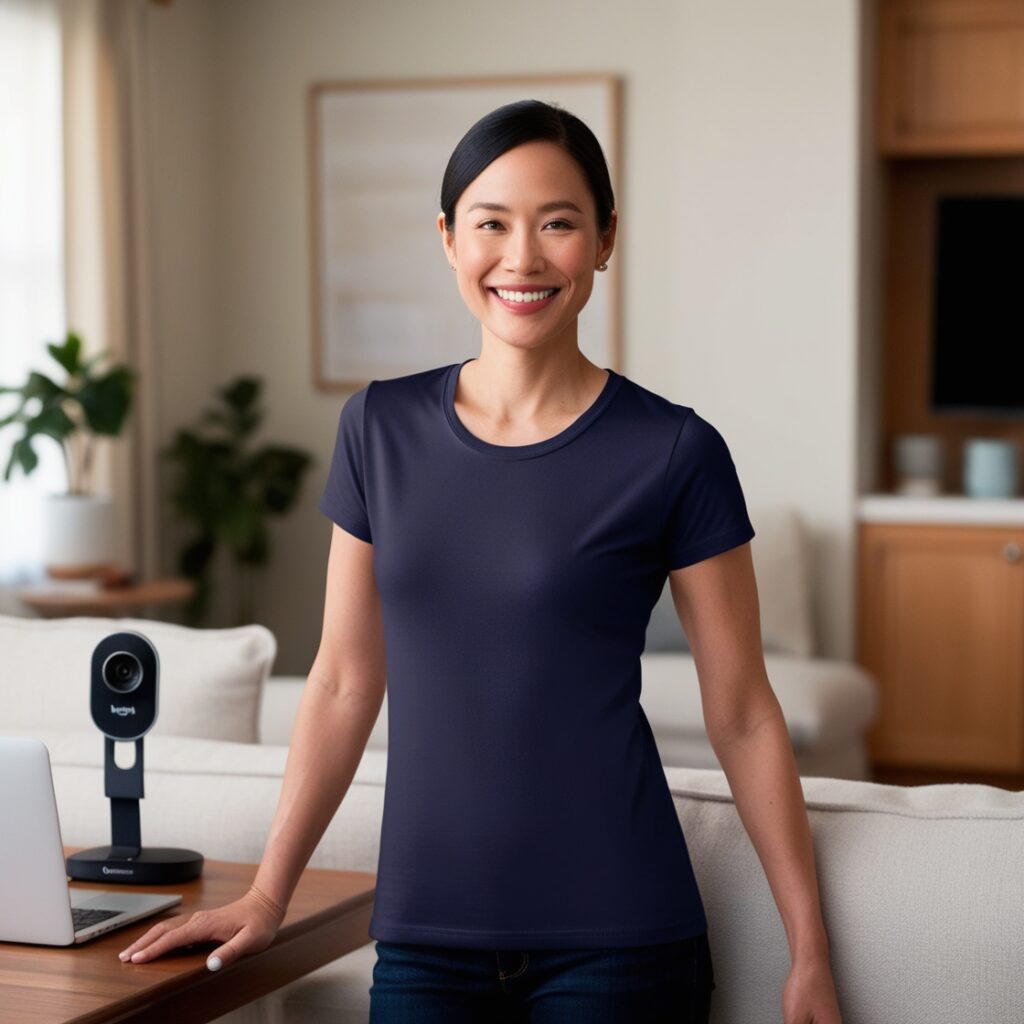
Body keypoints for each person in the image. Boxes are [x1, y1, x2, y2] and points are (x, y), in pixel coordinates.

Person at [117, 99, 843, 1024]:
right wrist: (267, 894)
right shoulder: (377, 429)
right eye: (491, 223)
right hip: (424, 940)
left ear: (606, 240)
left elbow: (741, 713)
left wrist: (809, 950)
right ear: (449, 240)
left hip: (620, 939)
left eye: (560, 223)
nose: (523, 257)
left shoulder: (675, 452)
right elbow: (343, 680)